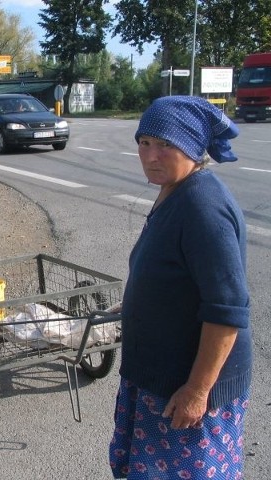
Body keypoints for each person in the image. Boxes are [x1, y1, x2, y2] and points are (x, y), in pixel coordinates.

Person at [109, 96, 253, 480]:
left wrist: (196, 391)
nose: (151, 156)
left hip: (186, 389)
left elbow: (227, 310)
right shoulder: (173, 189)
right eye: (144, 143)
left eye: (165, 145)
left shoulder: (202, 206)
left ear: (191, 146)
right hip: (160, 376)